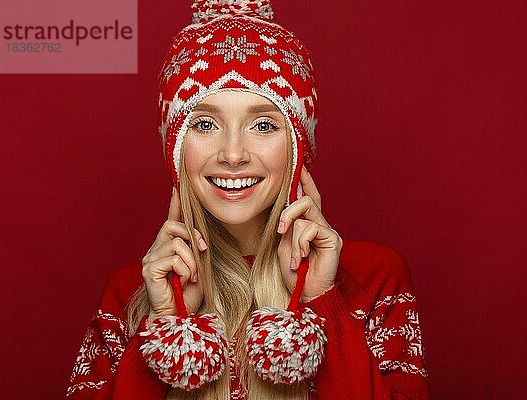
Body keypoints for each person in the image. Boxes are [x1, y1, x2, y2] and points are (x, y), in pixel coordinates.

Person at [66, 1, 430, 399]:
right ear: (175, 150)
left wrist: (323, 302)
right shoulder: (128, 296)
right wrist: (164, 321)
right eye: (205, 124)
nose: (233, 154)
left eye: (263, 124)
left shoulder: (375, 279)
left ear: (296, 147)